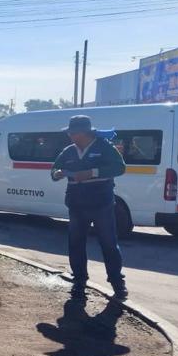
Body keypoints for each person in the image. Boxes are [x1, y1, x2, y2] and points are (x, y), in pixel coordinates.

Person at [51, 115, 128, 300]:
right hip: (77, 204)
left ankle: (118, 284)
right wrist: (58, 173)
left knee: (108, 243)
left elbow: (120, 168)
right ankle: (79, 281)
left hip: (101, 203)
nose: (70, 136)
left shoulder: (104, 148)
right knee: (75, 243)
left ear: (83, 133)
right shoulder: (68, 151)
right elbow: (53, 172)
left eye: (73, 133)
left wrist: (92, 173)